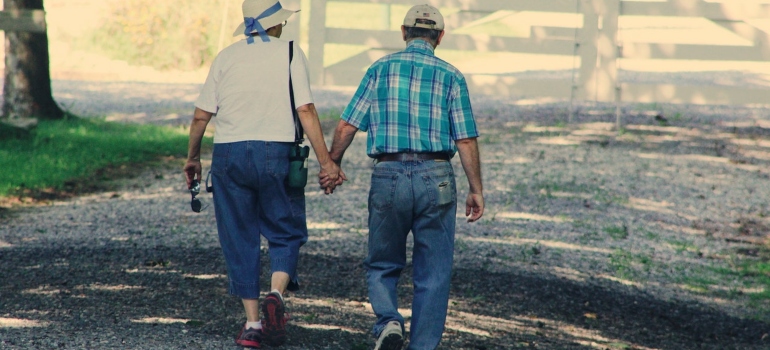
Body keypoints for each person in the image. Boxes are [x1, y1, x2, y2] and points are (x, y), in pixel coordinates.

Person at [322, 4, 484, 350]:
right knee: (434, 271)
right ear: (440, 36)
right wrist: (476, 189)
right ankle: (423, 346)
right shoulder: (452, 76)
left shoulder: (379, 69)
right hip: (436, 175)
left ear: (403, 32)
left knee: (382, 260)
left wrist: (332, 163)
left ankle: (388, 320)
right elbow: (466, 138)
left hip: (389, 173)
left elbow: (348, 124)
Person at [183, 0, 341, 348]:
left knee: (239, 236)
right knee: (285, 230)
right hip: (277, 152)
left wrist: (193, 158)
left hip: (230, 154)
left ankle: (253, 324)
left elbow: (200, 117)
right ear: (276, 23)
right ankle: (277, 294)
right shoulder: (289, 52)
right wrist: (326, 162)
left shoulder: (226, 57)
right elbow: (305, 109)